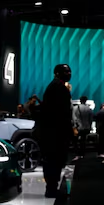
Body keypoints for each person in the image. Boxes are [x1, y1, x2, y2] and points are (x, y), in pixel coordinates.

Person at [36, 64, 73, 197]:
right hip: (55, 133)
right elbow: (58, 113)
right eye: (66, 71)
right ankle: (51, 189)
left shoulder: (57, 86)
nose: (69, 73)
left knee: (54, 160)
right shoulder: (57, 87)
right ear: (57, 73)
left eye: (69, 71)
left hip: (55, 132)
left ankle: (52, 188)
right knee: (53, 160)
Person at [72, 95, 93, 160]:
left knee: (74, 141)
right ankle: (82, 154)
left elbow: (74, 118)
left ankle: (77, 154)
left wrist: (74, 126)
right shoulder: (88, 109)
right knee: (83, 141)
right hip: (86, 127)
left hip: (78, 127)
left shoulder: (75, 108)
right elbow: (90, 119)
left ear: (80, 100)